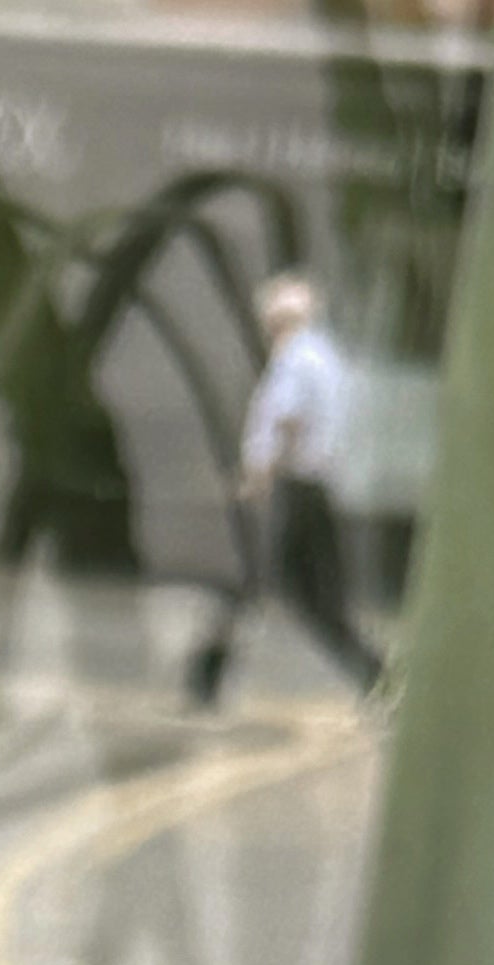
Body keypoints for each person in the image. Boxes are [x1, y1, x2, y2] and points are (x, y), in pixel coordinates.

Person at [190, 274, 377, 704]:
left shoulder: (295, 359)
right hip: (317, 488)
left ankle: (208, 676)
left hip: (293, 488)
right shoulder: (327, 357)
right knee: (317, 597)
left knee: (253, 581)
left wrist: (259, 478)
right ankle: (373, 672)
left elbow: (288, 421)